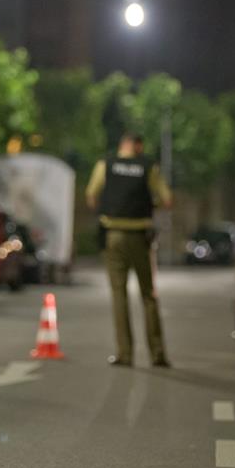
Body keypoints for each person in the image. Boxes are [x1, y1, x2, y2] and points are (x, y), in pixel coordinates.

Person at [86, 133, 173, 368]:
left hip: (113, 235)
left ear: (121, 145)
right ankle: (157, 354)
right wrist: (148, 205)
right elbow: (167, 200)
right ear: (138, 146)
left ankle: (125, 354)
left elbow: (91, 195)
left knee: (118, 295)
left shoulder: (106, 164)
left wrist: (106, 210)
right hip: (139, 238)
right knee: (148, 295)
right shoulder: (148, 167)